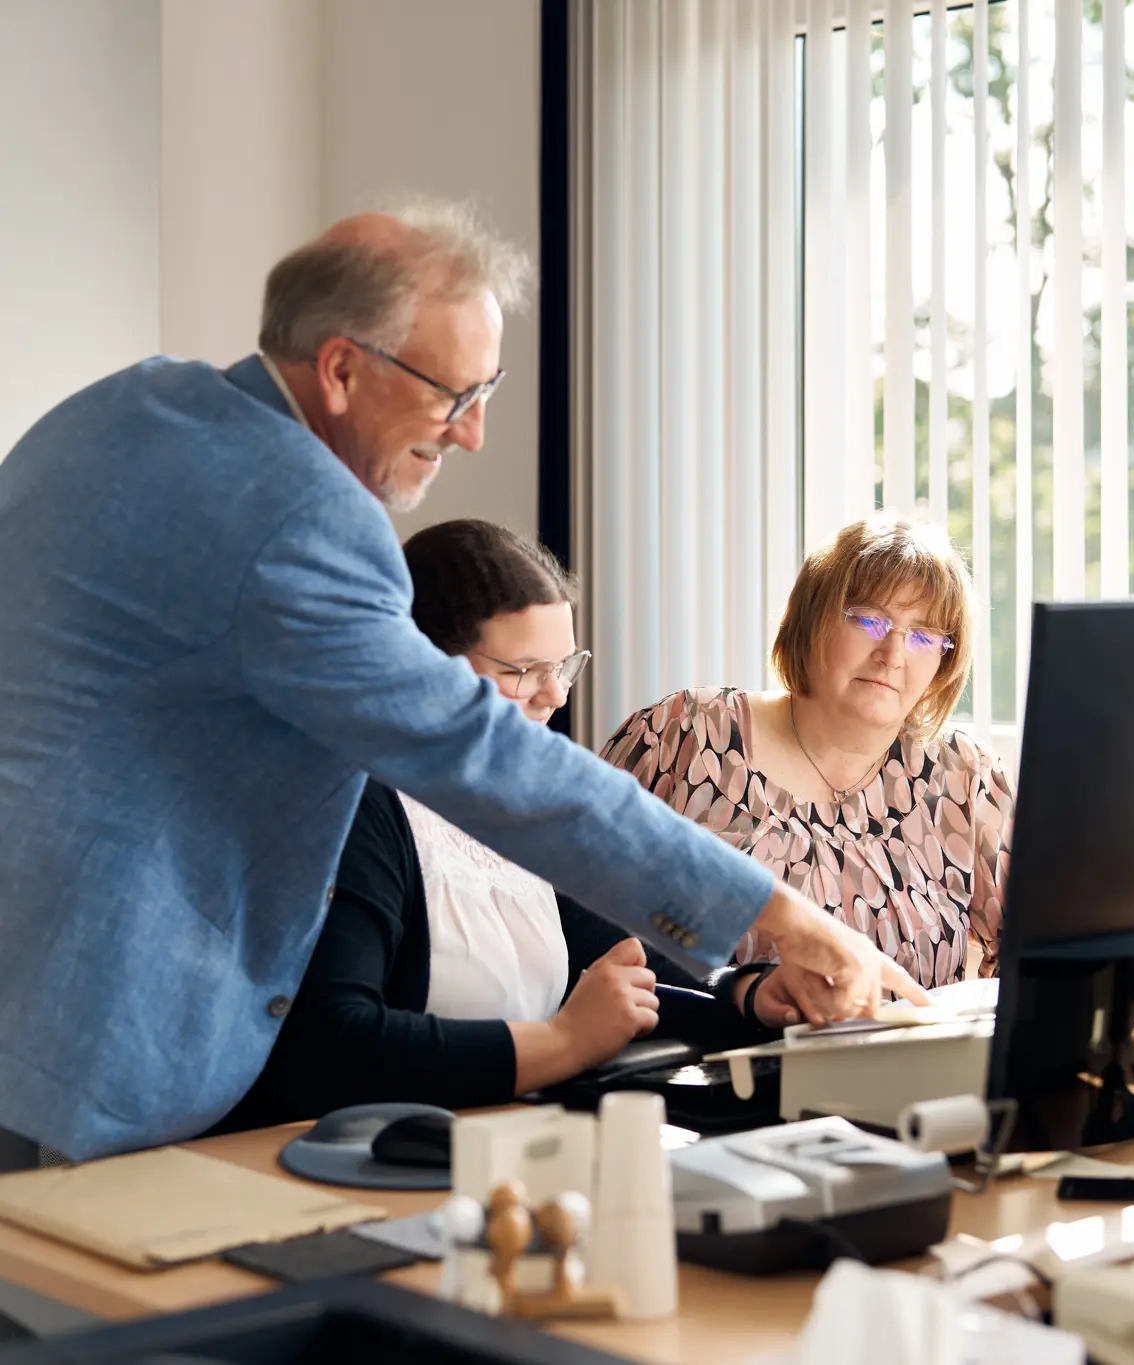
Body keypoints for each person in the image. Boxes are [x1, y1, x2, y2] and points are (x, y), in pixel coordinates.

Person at [0, 198, 926, 1160]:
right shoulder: (301, 518)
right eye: (453, 394)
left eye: (488, 388)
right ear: (342, 367)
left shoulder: (128, 408)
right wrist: (784, 918)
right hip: (75, 1066)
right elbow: (494, 762)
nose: (474, 432)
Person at [223, 520, 780, 1128]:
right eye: (524, 671)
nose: (554, 697)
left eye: (564, 668)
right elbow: (333, 1047)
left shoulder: (519, 811)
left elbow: (634, 971)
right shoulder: (363, 805)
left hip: (508, 1151)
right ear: (428, 666)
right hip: (363, 1161)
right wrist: (564, 1041)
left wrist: (750, 995)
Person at [602, 515, 1014, 993]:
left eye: (923, 635)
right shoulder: (688, 732)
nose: (893, 653)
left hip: (907, 1063)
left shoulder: (965, 778)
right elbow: (577, 913)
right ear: (811, 617)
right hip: (711, 1056)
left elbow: (1042, 953)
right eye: (868, 619)